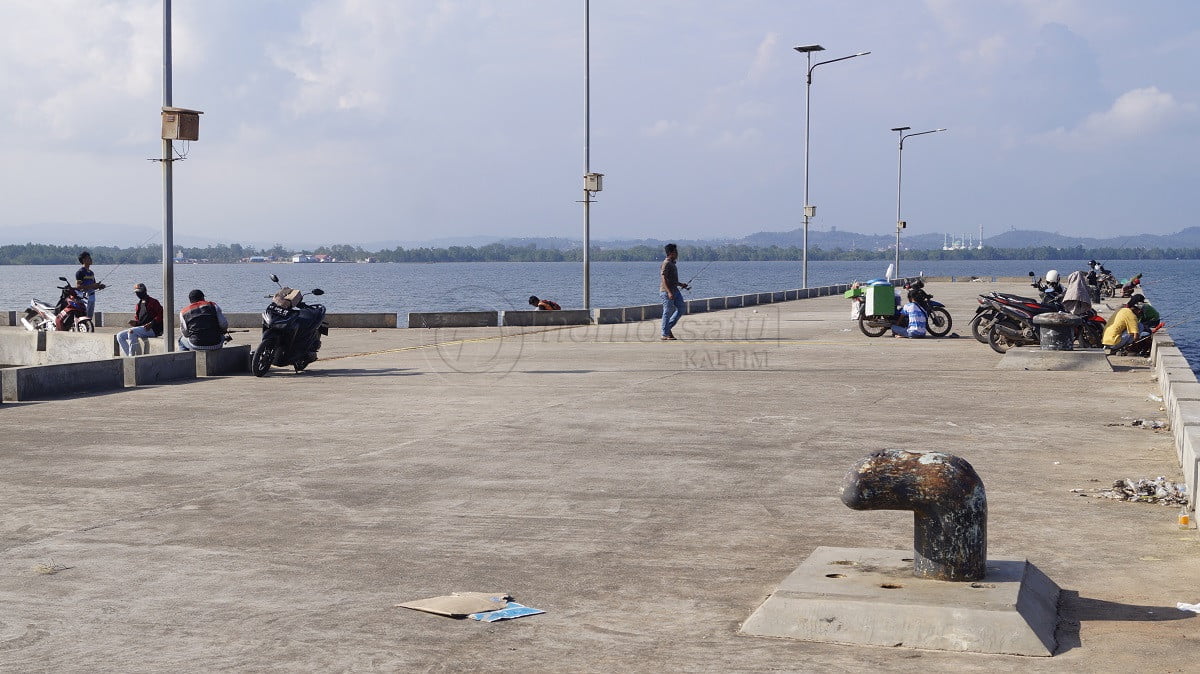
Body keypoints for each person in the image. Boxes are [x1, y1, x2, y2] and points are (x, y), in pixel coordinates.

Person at [116, 283, 164, 356]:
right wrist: (135, 323)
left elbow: (161, 314)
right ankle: (128, 356)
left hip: (153, 329)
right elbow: (140, 321)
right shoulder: (138, 304)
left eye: (139, 292)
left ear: (144, 291)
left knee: (131, 332)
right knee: (120, 336)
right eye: (136, 292)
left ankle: (131, 356)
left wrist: (152, 323)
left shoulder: (153, 302)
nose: (138, 294)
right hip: (142, 328)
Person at [659, 243, 689, 340]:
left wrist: (681, 285)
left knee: (681, 308)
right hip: (667, 291)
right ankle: (664, 333)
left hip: (675, 290)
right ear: (671, 253)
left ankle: (668, 328)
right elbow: (663, 278)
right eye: (676, 252)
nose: (677, 254)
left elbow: (672, 280)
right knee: (667, 312)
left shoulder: (672, 263)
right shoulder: (666, 263)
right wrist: (669, 292)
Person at [74, 250, 106, 318]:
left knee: (90, 316)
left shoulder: (91, 273)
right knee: (84, 316)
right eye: (89, 258)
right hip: (84, 297)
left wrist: (99, 286)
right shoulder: (80, 272)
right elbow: (78, 286)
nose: (91, 259)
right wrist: (92, 286)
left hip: (92, 297)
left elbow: (94, 286)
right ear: (84, 260)